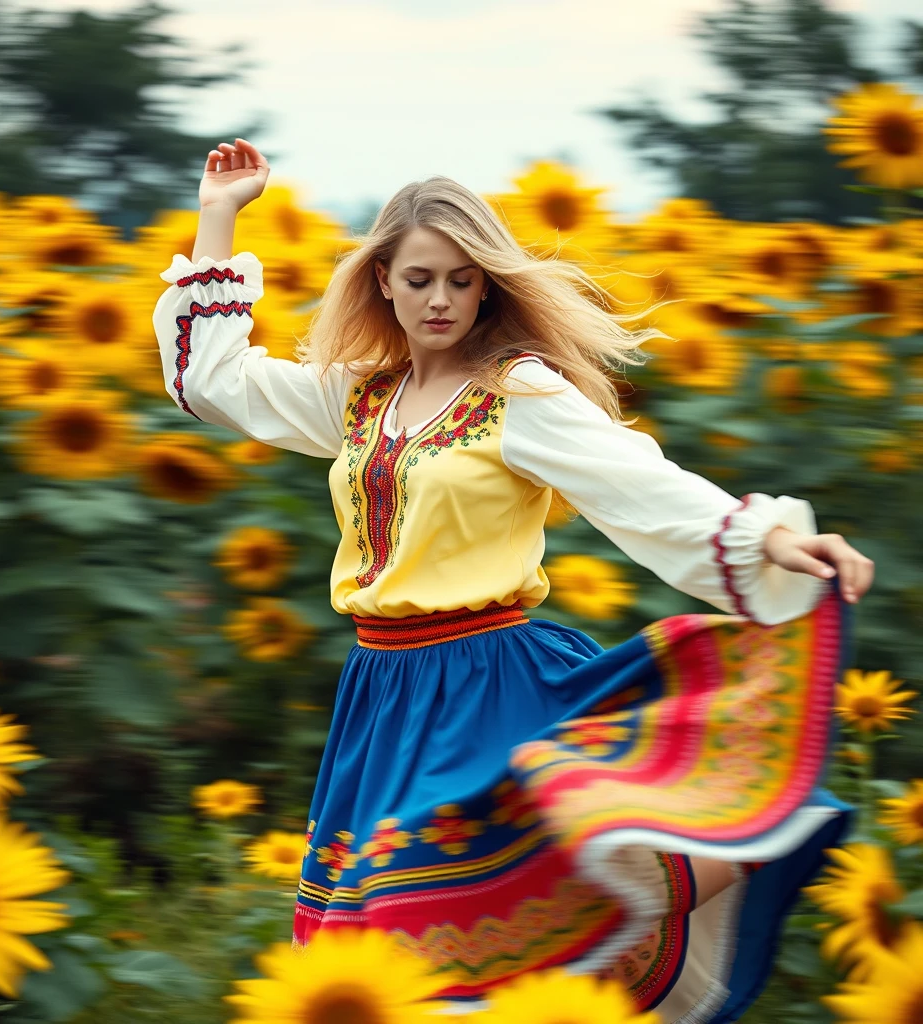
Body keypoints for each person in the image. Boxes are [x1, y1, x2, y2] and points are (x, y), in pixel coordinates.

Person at [152, 138, 874, 1022]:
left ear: (487, 284)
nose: (441, 299)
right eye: (419, 279)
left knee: (448, 929)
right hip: (382, 695)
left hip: (490, 683)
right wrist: (219, 212)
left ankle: (731, 841)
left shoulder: (518, 392)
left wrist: (767, 539)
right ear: (383, 280)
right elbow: (211, 379)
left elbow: (640, 486)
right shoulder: (358, 397)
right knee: (372, 960)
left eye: (461, 279)